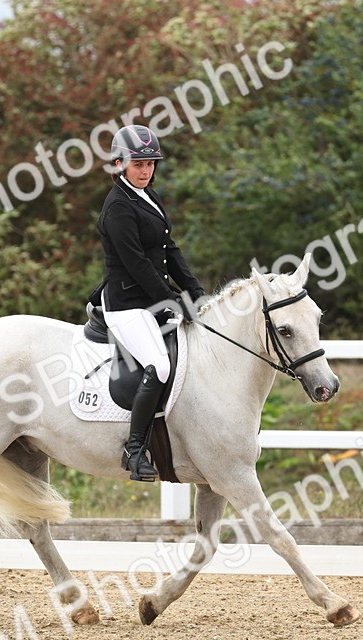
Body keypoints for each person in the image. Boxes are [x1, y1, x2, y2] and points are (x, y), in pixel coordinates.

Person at [88, 124, 207, 482]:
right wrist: (172, 300)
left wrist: (194, 289)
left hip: (151, 297)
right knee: (160, 365)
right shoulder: (117, 208)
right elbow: (138, 263)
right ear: (119, 164)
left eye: (151, 163)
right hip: (126, 303)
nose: (146, 170)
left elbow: (169, 250)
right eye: (138, 164)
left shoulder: (148, 196)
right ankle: (135, 449)